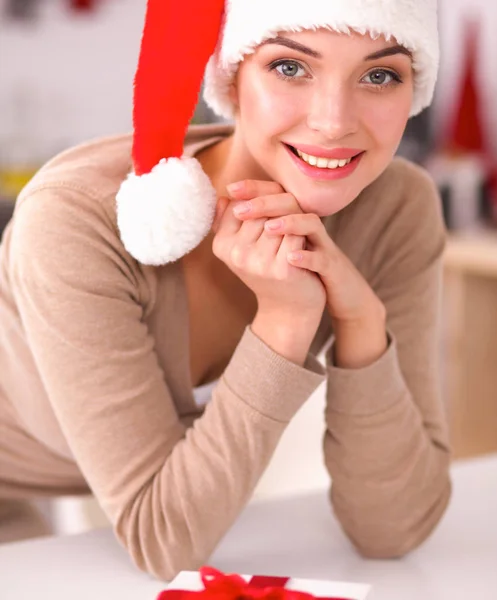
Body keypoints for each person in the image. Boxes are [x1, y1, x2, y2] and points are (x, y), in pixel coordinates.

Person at [0, 0, 451, 581]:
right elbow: (164, 542)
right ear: (232, 77)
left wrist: (363, 325)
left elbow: (394, 528)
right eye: (290, 67)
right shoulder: (79, 221)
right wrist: (285, 323)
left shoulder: (398, 208)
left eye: (380, 74)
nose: (334, 120)